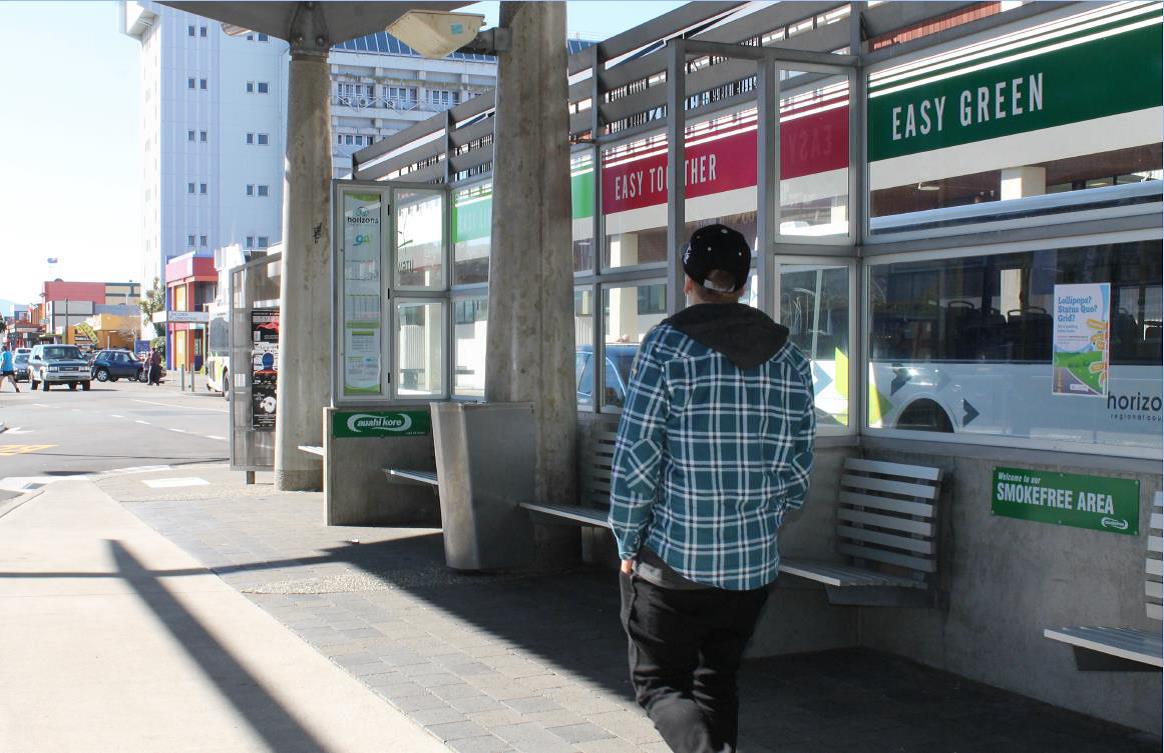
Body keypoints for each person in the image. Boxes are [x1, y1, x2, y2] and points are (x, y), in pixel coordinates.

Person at [608, 224, 816, 753]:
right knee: (717, 679)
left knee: (659, 684)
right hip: (751, 567)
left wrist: (627, 543)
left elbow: (637, 457)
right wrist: (766, 519)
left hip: (675, 562)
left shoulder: (666, 347)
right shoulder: (788, 356)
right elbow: (799, 461)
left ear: (688, 282)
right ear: (744, 285)